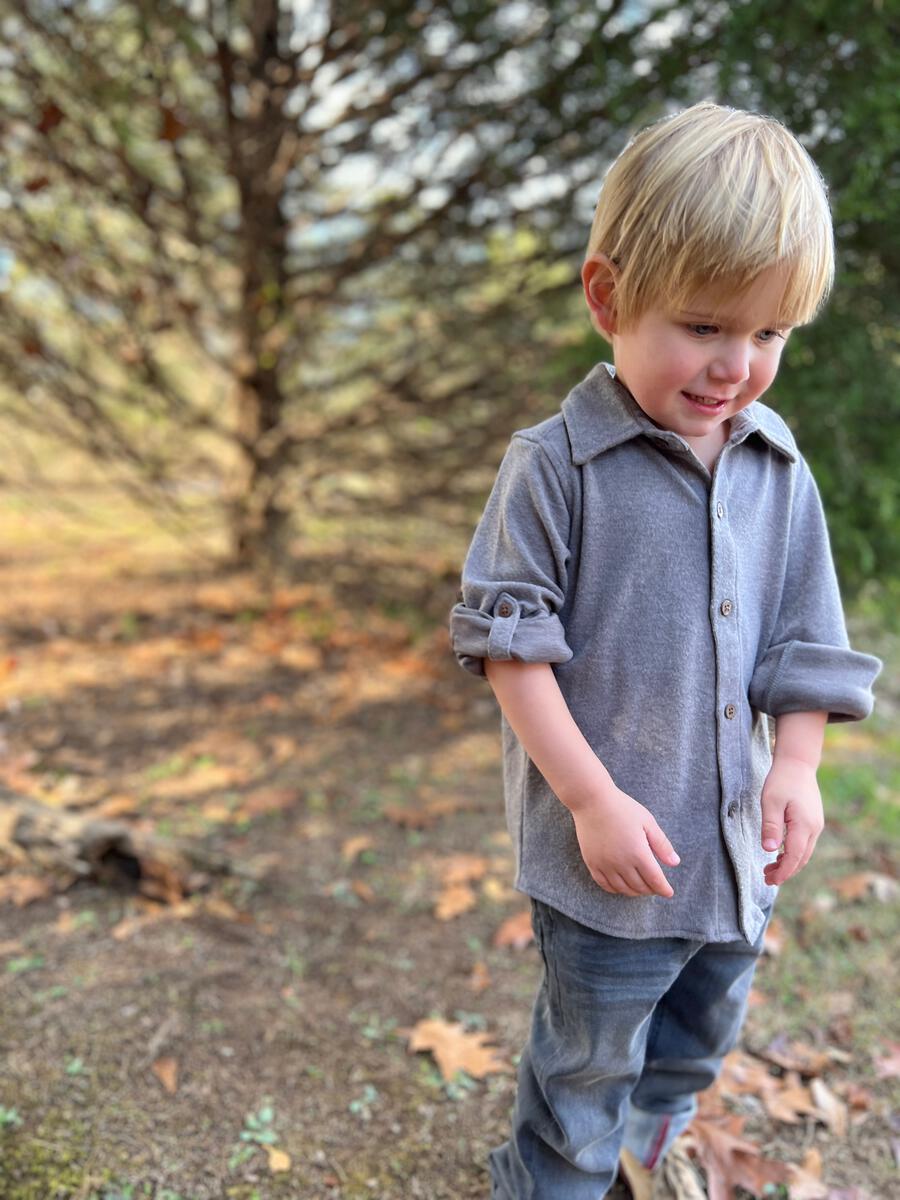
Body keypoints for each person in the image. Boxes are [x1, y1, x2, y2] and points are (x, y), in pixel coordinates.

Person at [448, 102, 882, 1200]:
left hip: (734, 852)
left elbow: (803, 640)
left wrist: (795, 767)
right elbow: (514, 653)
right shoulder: (556, 469)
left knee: (696, 1033)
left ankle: (656, 1139)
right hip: (610, 868)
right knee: (586, 1065)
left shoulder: (778, 469)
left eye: (772, 334)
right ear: (608, 295)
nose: (737, 364)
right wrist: (591, 800)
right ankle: (555, 1179)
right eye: (703, 325)